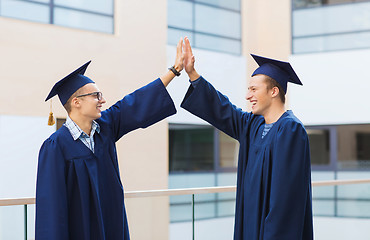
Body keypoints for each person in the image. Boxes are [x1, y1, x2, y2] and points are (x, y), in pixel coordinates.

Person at [35, 39, 185, 240]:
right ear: (76, 102)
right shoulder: (55, 146)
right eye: (96, 95)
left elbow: (135, 102)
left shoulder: (106, 127)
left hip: (112, 227)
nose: (102, 100)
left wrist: (174, 70)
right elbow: (51, 210)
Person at [180, 37, 313, 239]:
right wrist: (192, 73)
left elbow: (285, 202)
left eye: (253, 89)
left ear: (274, 91)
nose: (247, 95)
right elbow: (222, 109)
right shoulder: (253, 125)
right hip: (250, 226)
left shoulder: (290, 130)